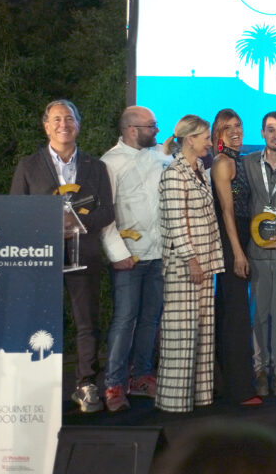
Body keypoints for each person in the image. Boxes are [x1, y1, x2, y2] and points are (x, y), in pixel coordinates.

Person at [10, 99, 114, 413]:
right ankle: (38, 387)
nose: (63, 125)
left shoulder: (96, 167)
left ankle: (85, 384)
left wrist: (78, 224)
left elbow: (107, 210)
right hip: (41, 257)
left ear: (78, 125)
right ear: (46, 126)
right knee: (40, 322)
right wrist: (48, 225)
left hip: (85, 255)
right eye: (56, 119)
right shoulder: (28, 166)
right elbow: (16, 210)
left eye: (69, 118)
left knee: (86, 324)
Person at [99, 106, 170, 412]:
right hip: (129, 257)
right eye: (151, 126)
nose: (156, 131)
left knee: (150, 319)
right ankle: (114, 383)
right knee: (125, 320)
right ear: (131, 129)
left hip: (159, 254)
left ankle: (141, 375)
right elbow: (105, 214)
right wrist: (118, 253)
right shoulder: (109, 163)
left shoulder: (160, 158)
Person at [155, 115, 224, 413]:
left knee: (202, 333)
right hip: (185, 267)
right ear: (190, 139)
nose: (210, 141)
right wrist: (191, 259)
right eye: (205, 137)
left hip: (205, 262)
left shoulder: (200, 171)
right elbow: (176, 222)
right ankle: (174, 402)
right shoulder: (174, 173)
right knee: (180, 336)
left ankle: (199, 397)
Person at [209, 108, 261, 406]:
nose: (235, 131)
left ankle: (227, 384)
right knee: (236, 316)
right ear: (218, 134)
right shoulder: (222, 163)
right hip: (231, 244)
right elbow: (227, 212)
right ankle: (241, 390)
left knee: (231, 312)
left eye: (238, 125)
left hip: (242, 239)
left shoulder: (238, 160)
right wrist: (238, 253)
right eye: (228, 128)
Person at [242, 111, 276, 398]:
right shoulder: (247, 163)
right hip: (256, 253)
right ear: (262, 133)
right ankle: (260, 370)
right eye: (271, 130)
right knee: (259, 316)